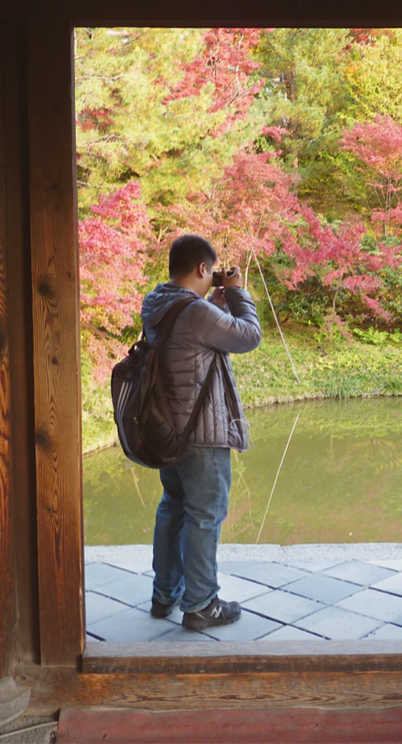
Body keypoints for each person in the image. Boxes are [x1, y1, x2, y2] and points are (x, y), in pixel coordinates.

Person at [141, 234, 262, 631]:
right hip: (203, 436)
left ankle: (165, 595)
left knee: (173, 507)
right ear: (201, 269)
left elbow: (193, 336)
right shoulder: (195, 312)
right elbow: (248, 336)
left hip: (168, 429)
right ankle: (201, 604)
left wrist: (216, 300)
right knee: (205, 516)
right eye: (211, 272)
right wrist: (238, 292)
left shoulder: (159, 302)